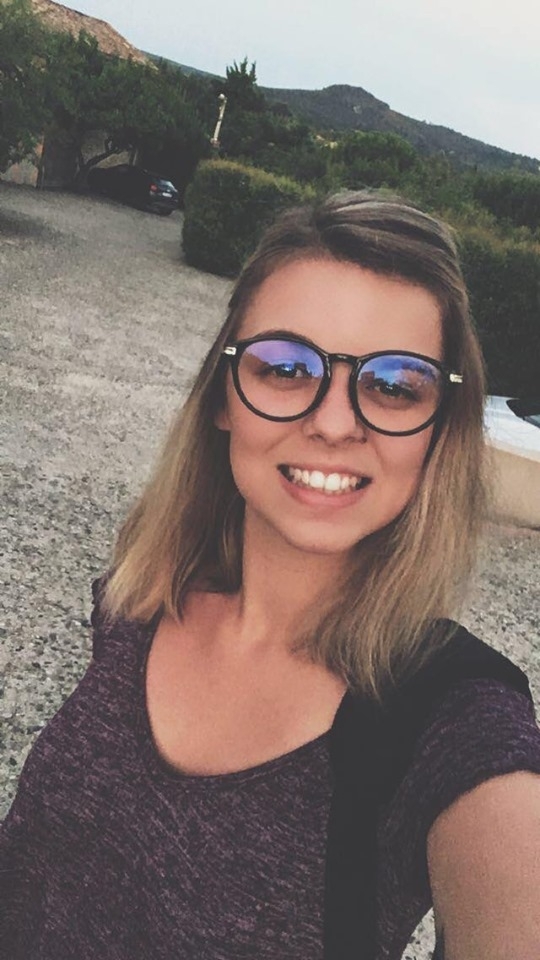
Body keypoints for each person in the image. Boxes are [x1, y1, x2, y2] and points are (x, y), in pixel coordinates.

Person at [1, 190, 539, 960]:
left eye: (394, 385)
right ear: (223, 395)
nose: (333, 422)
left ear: (440, 431)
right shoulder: (140, 598)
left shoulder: (450, 721)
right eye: (286, 367)